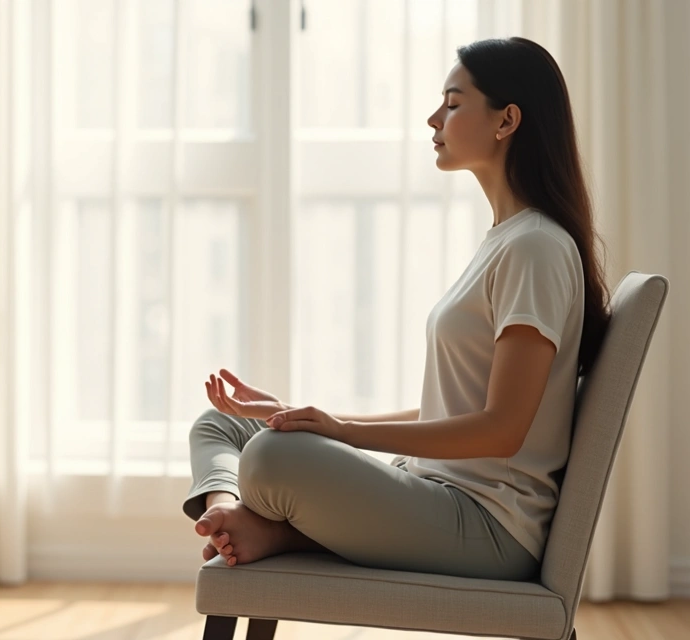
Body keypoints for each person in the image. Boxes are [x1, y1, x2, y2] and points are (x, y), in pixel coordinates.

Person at [183, 37, 612, 581]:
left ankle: (270, 527)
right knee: (224, 423)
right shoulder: (507, 240)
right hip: (432, 490)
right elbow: (448, 407)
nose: (434, 119)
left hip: (485, 526)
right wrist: (305, 416)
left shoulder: (536, 247)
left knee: (272, 458)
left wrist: (342, 432)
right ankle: (236, 518)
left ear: (506, 121)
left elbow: (502, 430)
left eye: (453, 104)